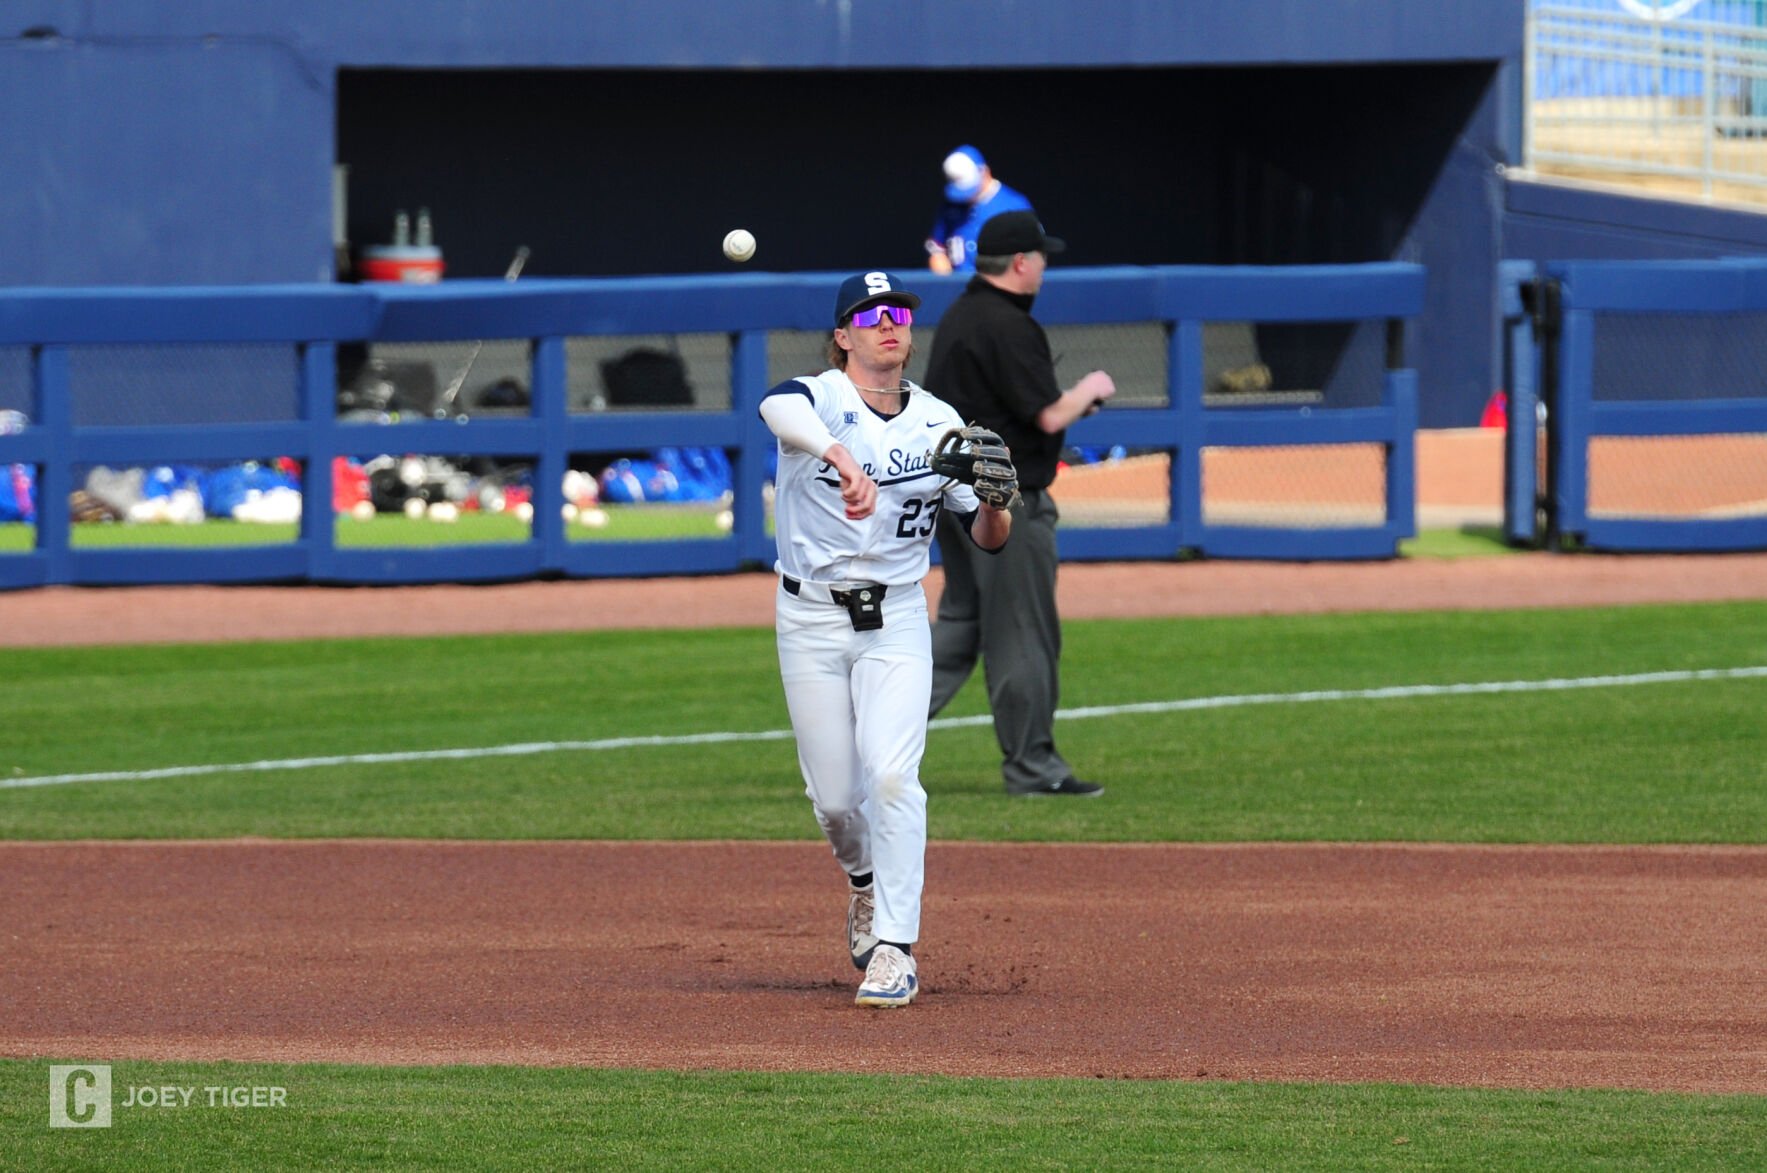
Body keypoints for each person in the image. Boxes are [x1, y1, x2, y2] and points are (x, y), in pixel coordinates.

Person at [759, 269, 1013, 1008]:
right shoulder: (821, 398)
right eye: (870, 315)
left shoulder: (938, 420)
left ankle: (896, 946)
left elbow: (986, 533)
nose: (888, 323)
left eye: (898, 311)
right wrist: (839, 458)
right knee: (835, 798)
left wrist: (997, 503)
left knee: (893, 776)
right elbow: (775, 406)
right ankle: (864, 885)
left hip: (897, 618)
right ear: (843, 335)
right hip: (807, 616)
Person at [924, 209, 1117, 798]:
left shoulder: (961, 314)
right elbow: (1048, 414)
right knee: (1022, 631)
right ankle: (1033, 768)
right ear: (1021, 263)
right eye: (1041, 258)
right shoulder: (1006, 323)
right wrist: (1090, 390)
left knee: (961, 626)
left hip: (956, 497)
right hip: (1003, 502)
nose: (1044, 268)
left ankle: (860, 744)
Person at [924, 145, 1034, 276]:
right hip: (958, 289)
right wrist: (945, 278)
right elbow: (937, 250)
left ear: (985, 172)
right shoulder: (951, 206)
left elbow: (1032, 257)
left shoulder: (1015, 205)